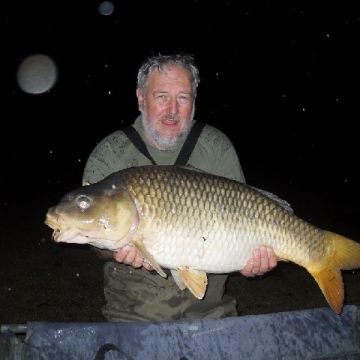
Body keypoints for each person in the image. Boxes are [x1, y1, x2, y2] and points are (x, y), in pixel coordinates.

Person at [83, 53, 278, 322]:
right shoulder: (110, 154)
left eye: (183, 98)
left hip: (212, 312)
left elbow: (247, 224)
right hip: (133, 313)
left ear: (194, 102)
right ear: (140, 98)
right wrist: (114, 252)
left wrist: (255, 263)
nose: (173, 109)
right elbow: (95, 240)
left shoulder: (216, 148)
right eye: (161, 96)